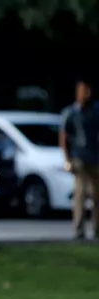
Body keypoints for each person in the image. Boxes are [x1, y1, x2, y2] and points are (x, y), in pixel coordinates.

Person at [60, 78, 99, 239]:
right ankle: (79, 229)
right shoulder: (71, 112)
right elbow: (64, 136)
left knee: (96, 195)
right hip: (78, 157)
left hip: (95, 157)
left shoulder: (95, 111)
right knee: (81, 193)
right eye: (83, 90)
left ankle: (96, 229)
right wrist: (67, 158)